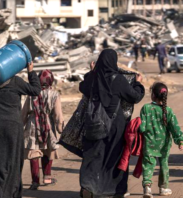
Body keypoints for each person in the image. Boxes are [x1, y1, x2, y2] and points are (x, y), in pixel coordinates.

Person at [79, 49, 145, 197]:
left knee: (93, 156)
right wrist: (138, 84)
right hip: (115, 125)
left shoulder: (93, 78)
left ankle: (88, 187)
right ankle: (114, 189)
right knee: (114, 156)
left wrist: (92, 72)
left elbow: (83, 87)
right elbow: (134, 97)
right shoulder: (118, 79)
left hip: (94, 122)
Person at [0, 62, 41, 198]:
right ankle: (11, 193)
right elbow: (36, 90)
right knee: (13, 160)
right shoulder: (15, 82)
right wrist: (31, 72)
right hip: (12, 126)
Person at [22, 69, 64, 190]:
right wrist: (60, 128)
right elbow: (58, 115)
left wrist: (21, 125)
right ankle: (47, 177)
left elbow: (24, 113)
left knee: (34, 153)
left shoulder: (32, 93)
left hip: (33, 126)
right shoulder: (55, 94)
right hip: (48, 126)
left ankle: (35, 181)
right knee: (48, 150)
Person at [140, 82, 183, 198]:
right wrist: (180, 140)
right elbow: (175, 128)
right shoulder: (168, 111)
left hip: (149, 144)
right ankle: (163, 188)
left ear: (152, 95)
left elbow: (142, 127)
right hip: (164, 145)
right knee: (164, 165)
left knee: (148, 165)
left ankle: (147, 188)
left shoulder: (146, 108)